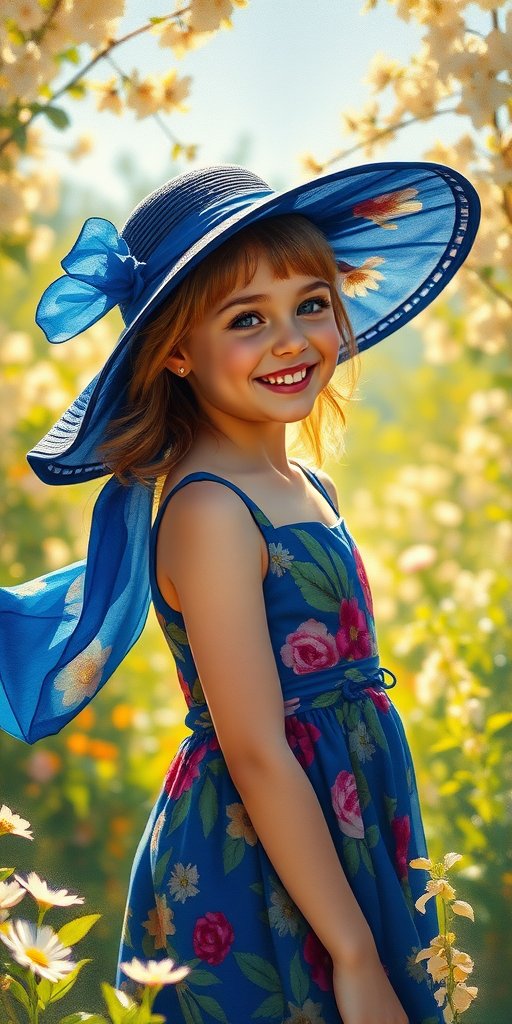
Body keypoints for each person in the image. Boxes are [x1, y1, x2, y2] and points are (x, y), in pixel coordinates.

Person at [0, 163, 480, 1024]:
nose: (292, 340)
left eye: (311, 303)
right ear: (175, 351)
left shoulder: (304, 485)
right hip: (256, 858)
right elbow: (256, 748)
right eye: (247, 320)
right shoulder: (210, 511)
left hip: (347, 817)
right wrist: (354, 951)